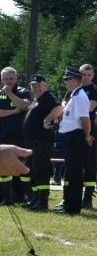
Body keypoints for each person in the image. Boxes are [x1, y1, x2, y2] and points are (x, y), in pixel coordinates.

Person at [21, 75, 62, 211]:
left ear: (46, 85)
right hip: (32, 142)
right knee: (32, 170)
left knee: (40, 169)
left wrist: (46, 120)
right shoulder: (37, 100)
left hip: (41, 140)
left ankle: (43, 200)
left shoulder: (48, 97)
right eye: (33, 85)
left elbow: (59, 109)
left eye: (39, 85)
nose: (36, 87)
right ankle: (35, 198)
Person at [57, 67, 91, 215]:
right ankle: (69, 204)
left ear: (73, 80)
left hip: (76, 136)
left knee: (75, 173)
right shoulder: (74, 95)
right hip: (70, 137)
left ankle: (73, 207)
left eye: (66, 80)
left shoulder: (79, 96)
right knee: (70, 173)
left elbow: (85, 119)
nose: (65, 82)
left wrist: (86, 136)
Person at [0, 66, 31, 205]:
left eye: (11, 78)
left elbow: (24, 105)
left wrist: (10, 94)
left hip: (19, 136)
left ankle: (25, 197)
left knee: (21, 166)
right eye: (6, 79)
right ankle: (6, 198)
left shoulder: (22, 91)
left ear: (16, 79)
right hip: (3, 137)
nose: (8, 81)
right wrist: (13, 112)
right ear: (1, 80)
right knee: (4, 169)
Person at [79, 64, 97, 209]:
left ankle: (87, 198)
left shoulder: (95, 90)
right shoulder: (74, 88)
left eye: (89, 75)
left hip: (89, 128)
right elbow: (64, 106)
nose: (86, 77)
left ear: (92, 75)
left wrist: (73, 108)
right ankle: (70, 195)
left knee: (89, 164)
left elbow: (90, 107)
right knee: (74, 164)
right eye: (83, 74)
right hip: (74, 128)